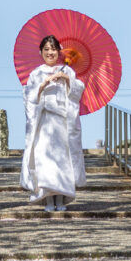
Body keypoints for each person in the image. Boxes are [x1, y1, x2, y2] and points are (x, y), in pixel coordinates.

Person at [20, 35, 86, 211]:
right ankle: (48, 198)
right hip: (44, 121)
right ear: (41, 52)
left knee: (62, 160)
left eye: (53, 49)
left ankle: (60, 198)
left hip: (62, 121)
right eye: (46, 49)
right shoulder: (36, 73)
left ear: (59, 51)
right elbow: (29, 98)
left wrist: (67, 79)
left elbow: (77, 92)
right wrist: (42, 85)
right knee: (45, 159)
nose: (50, 52)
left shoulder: (67, 71)